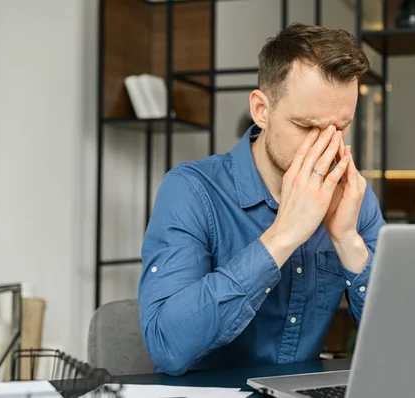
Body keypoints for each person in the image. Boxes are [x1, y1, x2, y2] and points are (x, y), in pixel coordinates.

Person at [138, 23, 386, 376]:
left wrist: (348, 241)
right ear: (261, 110)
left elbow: (404, 340)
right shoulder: (191, 190)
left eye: (340, 127)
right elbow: (167, 347)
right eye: (307, 126)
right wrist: (282, 236)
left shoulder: (353, 196)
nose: (327, 147)